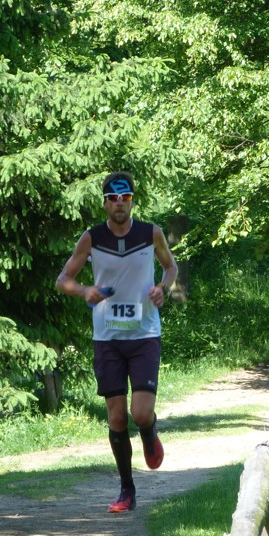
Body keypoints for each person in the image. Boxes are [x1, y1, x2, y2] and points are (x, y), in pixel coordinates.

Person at [56, 171, 178, 513]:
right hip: (107, 338)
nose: (119, 204)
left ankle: (149, 431)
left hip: (144, 334)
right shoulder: (92, 238)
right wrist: (85, 290)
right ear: (105, 203)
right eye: (113, 198)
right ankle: (127, 491)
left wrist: (162, 288)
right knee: (117, 418)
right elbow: (63, 279)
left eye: (125, 198)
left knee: (140, 413)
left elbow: (170, 268)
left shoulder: (150, 233)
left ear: (132, 201)